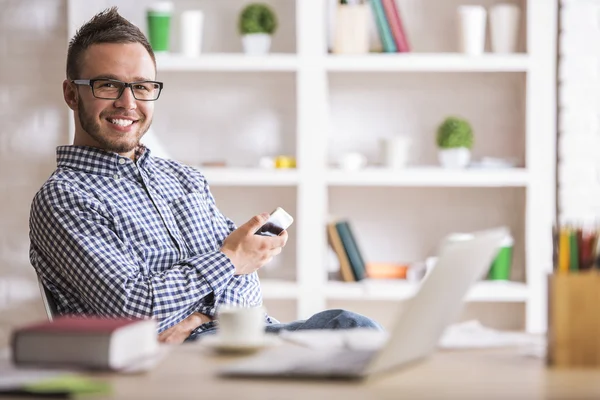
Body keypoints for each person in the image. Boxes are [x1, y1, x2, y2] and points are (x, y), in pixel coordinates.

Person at [29, 7, 381, 344]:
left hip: (243, 338)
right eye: (108, 86)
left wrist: (198, 314)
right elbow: (134, 309)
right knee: (351, 330)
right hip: (175, 368)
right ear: (72, 94)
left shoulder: (185, 179)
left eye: (143, 86)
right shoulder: (66, 197)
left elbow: (247, 287)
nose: (128, 102)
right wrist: (228, 259)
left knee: (353, 331)